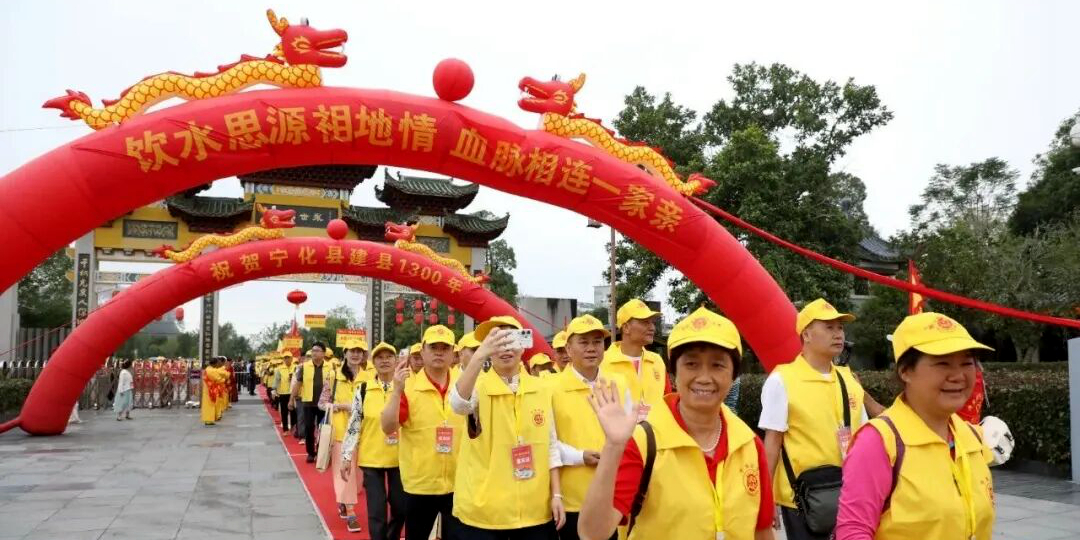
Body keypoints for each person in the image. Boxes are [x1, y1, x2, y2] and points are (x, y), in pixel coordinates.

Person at [578, 307, 775, 540]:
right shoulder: (643, 443)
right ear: (674, 372)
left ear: (733, 375)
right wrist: (613, 446)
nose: (704, 377)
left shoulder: (749, 444)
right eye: (691, 364)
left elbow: (762, 530)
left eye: (717, 365)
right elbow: (593, 533)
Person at [835, 312, 996, 540]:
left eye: (967, 363)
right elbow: (853, 531)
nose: (958, 375)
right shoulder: (880, 442)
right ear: (905, 371)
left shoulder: (971, 437)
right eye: (943, 363)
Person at [759, 299, 869, 540]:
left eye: (840, 328)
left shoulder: (849, 379)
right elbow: (772, 443)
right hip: (804, 500)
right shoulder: (782, 380)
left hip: (851, 495)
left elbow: (865, 439)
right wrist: (766, 499)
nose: (838, 334)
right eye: (829, 327)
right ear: (806, 335)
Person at [450, 316, 565, 538]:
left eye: (511, 339)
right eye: (498, 341)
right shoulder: (476, 386)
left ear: (523, 344)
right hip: (485, 514)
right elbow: (458, 404)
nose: (505, 348)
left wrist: (557, 495)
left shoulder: (541, 388)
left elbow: (551, 445)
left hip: (534, 510)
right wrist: (479, 355)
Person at [381, 326, 466, 540]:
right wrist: (396, 390)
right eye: (433, 347)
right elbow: (388, 427)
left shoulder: (464, 385)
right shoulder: (408, 386)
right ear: (423, 352)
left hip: (459, 482)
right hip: (420, 484)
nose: (439, 352)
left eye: (445, 348)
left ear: (453, 353)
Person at [549, 314, 628, 540]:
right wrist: (579, 456)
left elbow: (633, 433)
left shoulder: (619, 383)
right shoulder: (550, 388)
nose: (591, 348)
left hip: (612, 496)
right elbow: (546, 442)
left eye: (597, 342)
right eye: (583, 342)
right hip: (572, 498)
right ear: (568, 348)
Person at [342, 342, 408, 540]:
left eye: (389, 357)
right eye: (380, 357)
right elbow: (354, 424)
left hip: (401, 459)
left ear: (396, 361)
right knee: (377, 511)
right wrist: (346, 456)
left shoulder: (406, 388)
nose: (385, 361)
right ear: (373, 361)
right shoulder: (363, 389)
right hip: (371, 459)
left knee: (400, 507)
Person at [319, 342, 370, 533]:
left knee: (358, 475)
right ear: (345, 353)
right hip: (341, 432)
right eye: (352, 351)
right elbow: (322, 403)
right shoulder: (333, 376)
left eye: (359, 351)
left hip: (364, 432)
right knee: (345, 473)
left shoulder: (369, 377)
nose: (356, 355)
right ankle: (350, 512)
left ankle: (343, 501)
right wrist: (340, 406)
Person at [600, 299, 670, 422]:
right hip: (618, 432)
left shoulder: (657, 361)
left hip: (655, 432)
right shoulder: (602, 363)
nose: (652, 328)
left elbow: (667, 399)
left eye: (652, 323)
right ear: (626, 327)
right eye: (645, 322)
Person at [291, 342, 334, 463]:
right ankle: (310, 452)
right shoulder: (304, 367)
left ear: (323, 353)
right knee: (309, 427)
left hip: (324, 404)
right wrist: (291, 399)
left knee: (323, 429)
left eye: (317, 350)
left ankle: (321, 452)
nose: (314, 353)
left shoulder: (331, 367)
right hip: (308, 402)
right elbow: (298, 383)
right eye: (313, 350)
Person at [272, 354, 297, 433]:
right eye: (285, 358)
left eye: (288, 358)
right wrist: (274, 390)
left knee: (293, 411)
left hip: (293, 392)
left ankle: (293, 426)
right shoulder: (279, 369)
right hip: (283, 392)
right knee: (284, 411)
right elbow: (276, 380)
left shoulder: (296, 367)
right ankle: (285, 428)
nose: (287, 360)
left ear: (292, 359)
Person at [201, 358, 225, 426]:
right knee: (210, 404)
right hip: (210, 390)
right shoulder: (211, 370)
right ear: (214, 363)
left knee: (208, 404)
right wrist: (223, 379)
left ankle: (208, 419)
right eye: (217, 363)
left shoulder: (208, 369)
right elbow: (218, 379)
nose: (218, 364)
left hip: (207, 389)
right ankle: (209, 420)